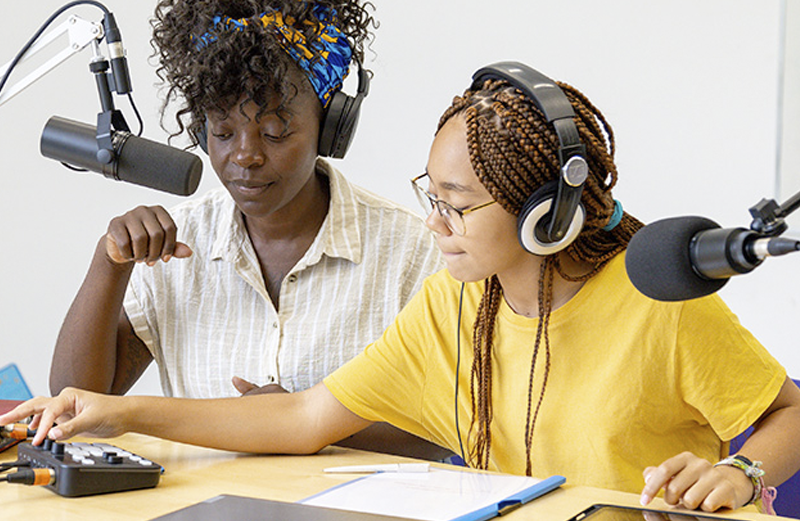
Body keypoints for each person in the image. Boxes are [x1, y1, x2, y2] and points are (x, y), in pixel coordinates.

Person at [7, 62, 800, 514]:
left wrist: (743, 472)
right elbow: (306, 415)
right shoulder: (457, 303)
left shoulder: (654, 298)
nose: (434, 224)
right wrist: (116, 408)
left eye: (456, 206)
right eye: (433, 196)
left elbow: (788, 411)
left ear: (544, 213)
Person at [47, 0, 448, 459]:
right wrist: (109, 265)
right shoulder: (175, 246)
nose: (245, 155)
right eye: (221, 131)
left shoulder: (412, 251)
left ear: (331, 128)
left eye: (276, 132)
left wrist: (309, 419)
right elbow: (76, 406)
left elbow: (448, 427)